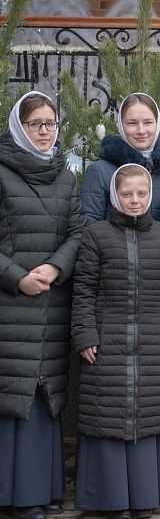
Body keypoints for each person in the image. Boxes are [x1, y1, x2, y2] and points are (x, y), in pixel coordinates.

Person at [72, 163, 160, 519]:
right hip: (106, 341)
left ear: (150, 195)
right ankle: (110, 500)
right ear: (114, 196)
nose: (134, 200)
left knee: (147, 414)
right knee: (106, 414)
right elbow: (84, 290)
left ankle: (144, 497)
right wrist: (85, 334)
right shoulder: (96, 235)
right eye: (126, 194)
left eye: (141, 193)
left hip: (152, 341)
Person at [0, 92, 86, 519]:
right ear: (19, 126)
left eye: (50, 123)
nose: (44, 131)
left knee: (46, 392)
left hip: (52, 300)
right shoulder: (1, 173)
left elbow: (78, 232)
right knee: (12, 393)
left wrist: (55, 267)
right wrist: (16, 276)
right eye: (35, 123)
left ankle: (43, 489)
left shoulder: (65, 177)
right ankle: (15, 496)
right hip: (10, 303)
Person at [80, 93, 160, 223]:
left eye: (148, 122)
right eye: (132, 123)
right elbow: (90, 227)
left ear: (157, 123)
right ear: (121, 125)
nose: (141, 130)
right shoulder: (99, 172)